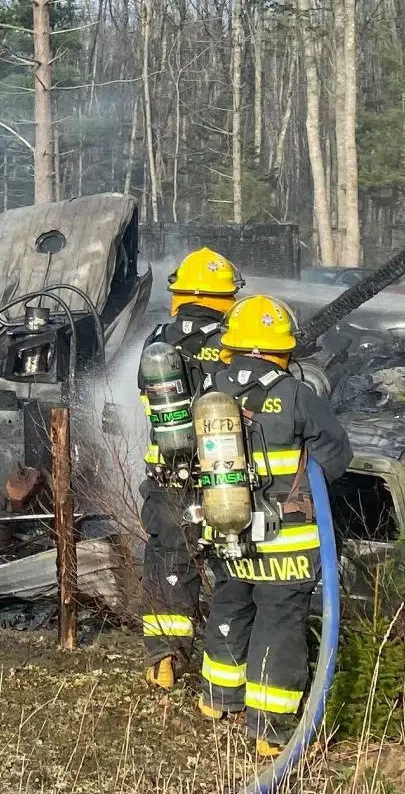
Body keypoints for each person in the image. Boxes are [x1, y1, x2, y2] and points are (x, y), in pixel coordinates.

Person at [196, 294, 351, 757]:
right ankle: (269, 727)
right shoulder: (296, 393)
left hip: (226, 530)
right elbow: (336, 457)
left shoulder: (211, 391)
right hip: (285, 537)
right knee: (279, 620)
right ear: (283, 349)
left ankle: (218, 700)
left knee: (230, 605)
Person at [136, 248, 241, 690]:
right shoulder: (232, 343)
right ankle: (227, 671)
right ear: (227, 297)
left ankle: (164, 661)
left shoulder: (158, 342)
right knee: (231, 568)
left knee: (169, 561)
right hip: (224, 479)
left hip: (168, 478)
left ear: (178, 294)